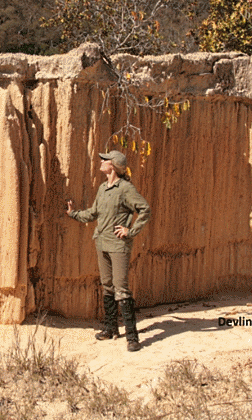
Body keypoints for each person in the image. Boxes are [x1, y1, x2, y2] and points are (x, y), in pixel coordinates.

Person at [66, 150, 150, 352]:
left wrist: (130, 231)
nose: (101, 162)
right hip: (102, 242)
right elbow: (93, 213)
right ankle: (110, 329)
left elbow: (145, 209)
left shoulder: (126, 189)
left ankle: (132, 337)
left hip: (119, 245)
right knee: (107, 286)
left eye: (105, 159)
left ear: (113, 165)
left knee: (121, 288)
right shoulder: (103, 188)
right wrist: (73, 214)